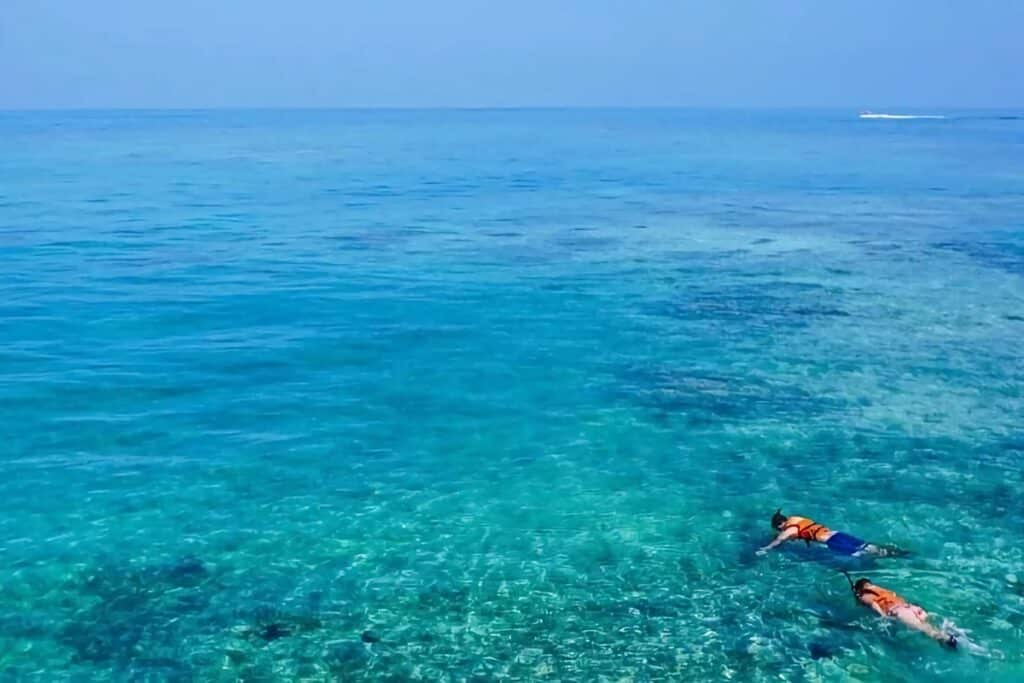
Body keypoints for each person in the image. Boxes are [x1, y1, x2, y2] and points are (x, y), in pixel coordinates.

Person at [850, 577, 957, 649]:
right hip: (913, 608)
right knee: (928, 626)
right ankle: (945, 637)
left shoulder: (865, 595)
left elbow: (873, 604)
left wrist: (883, 616)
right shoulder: (882, 590)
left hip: (900, 611)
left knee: (924, 629)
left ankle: (946, 638)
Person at [758, 509, 908, 557]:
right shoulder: (796, 519)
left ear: (780, 525)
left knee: (860, 553)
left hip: (832, 542)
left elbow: (779, 540)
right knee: (868, 546)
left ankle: (891, 557)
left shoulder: (789, 529)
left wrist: (765, 549)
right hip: (837, 534)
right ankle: (900, 553)